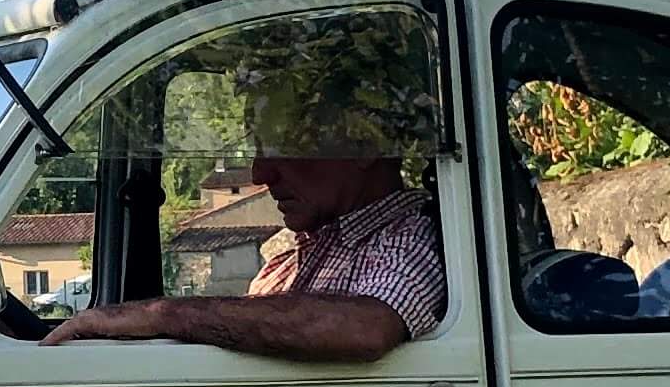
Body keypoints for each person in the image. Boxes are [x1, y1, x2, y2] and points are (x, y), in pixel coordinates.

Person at [39, 24, 447, 363]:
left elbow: (367, 326)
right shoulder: (293, 254)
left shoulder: (416, 239)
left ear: (363, 145)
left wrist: (161, 313)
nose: (260, 172)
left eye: (282, 147)